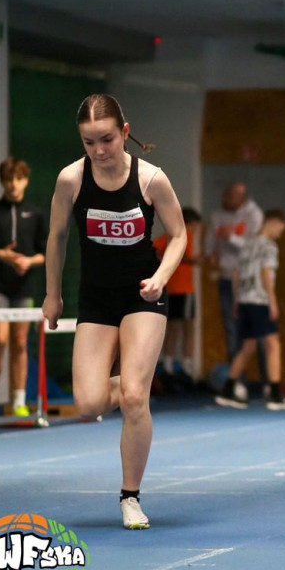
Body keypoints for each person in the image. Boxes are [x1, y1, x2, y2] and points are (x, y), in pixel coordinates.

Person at [42, 94, 187, 530]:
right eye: (89, 142)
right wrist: (53, 295)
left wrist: (161, 277)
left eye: (106, 139)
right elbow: (57, 238)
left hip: (144, 295)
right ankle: (132, 383)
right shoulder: (71, 179)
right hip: (97, 300)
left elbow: (178, 235)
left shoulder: (151, 179)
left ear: (124, 132)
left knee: (134, 400)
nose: (99, 150)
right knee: (87, 404)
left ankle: (130, 497)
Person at [0, 157, 48, 423]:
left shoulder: (36, 213)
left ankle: (18, 402)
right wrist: (0, 255)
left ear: (25, 181)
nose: (13, 185)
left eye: (18, 179)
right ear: (3, 182)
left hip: (24, 288)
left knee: (20, 342)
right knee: (0, 340)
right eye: (8, 180)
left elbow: (46, 253)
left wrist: (29, 261)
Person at [215, 209, 285, 411]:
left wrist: (236, 300)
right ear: (273, 223)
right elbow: (265, 272)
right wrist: (272, 300)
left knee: (248, 346)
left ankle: (228, 390)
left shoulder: (247, 244)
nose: (280, 233)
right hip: (260, 301)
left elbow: (236, 273)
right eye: (281, 228)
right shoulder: (269, 246)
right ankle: (275, 394)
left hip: (243, 300)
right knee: (272, 345)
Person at [208, 182, 264, 368]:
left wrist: (230, 237)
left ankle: (267, 383)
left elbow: (252, 248)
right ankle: (236, 381)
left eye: (230, 197)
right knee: (231, 327)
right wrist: (211, 256)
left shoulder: (253, 215)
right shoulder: (218, 215)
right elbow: (210, 244)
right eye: (225, 196)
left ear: (241, 198)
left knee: (257, 329)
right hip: (227, 277)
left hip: (249, 281)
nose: (225, 200)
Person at [154, 207, 202, 388]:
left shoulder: (170, 237)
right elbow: (184, 257)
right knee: (184, 327)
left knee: (177, 327)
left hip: (174, 289)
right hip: (182, 289)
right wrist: (199, 260)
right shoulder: (182, 236)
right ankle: (177, 364)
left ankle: (174, 363)